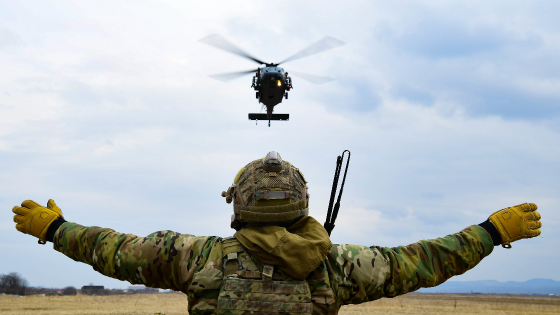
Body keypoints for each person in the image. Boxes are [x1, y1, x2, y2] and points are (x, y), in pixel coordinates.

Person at [12, 151, 542, 315]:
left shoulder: (193, 258)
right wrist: (493, 232)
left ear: (239, 203)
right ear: (302, 204)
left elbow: (113, 251)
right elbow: (425, 260)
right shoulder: (338, 265)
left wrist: (56, 228)